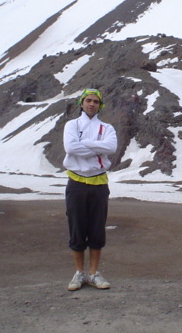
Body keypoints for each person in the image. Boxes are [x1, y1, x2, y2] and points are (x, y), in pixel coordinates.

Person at [63, 88, 118, 291]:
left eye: (95, 101)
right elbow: (70, 148)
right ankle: (79, 273)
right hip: (76, 182)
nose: (92, 104)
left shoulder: (107, 128)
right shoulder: (72, 125)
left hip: (99, 183)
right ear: (82, 103)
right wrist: (97, 146)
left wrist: (84, 143)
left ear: (100, 105)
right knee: (77, 228)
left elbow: (111, 147)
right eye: (88, 100)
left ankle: (94, 274)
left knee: (96, 228)